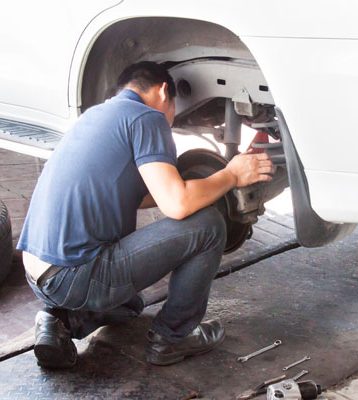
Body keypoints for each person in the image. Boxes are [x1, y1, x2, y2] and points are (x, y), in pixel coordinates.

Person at [17, 61, 275, 369]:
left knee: (129, 307)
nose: (171, 118)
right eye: (174, 108)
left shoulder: (94, 116)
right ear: (164, 91)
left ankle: (57, 320)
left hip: (37, 272)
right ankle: (173, 338)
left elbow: (139, 195)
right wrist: (231, 176)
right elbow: (178, 205)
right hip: (75, 275)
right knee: (209, 226)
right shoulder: (148, 117)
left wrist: (196, 188)